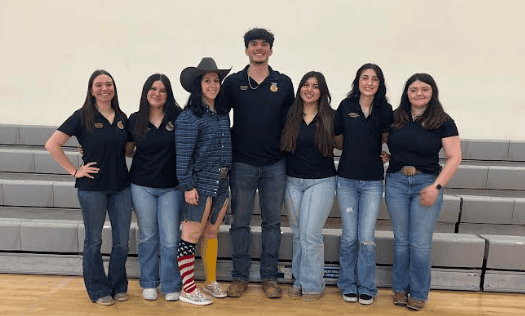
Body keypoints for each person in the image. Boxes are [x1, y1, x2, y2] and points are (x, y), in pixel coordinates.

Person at [45, 70, 132, 306]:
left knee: (122, 242)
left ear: (114, 88)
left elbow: (128, 149)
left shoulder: (122, 116)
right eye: (99, 85)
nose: (105, 89)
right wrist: (75, 170)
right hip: (92, 188)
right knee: (93, 241)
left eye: (109, 84)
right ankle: (97, 289)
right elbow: (52, 144)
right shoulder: (82, 116)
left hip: (121, 187)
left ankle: (118, 285)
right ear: (91, 89)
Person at [222, 27, 295, 299]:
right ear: (246, 49)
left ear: (271, 50)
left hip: (275, 164)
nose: (259, 48)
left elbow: (293, 123)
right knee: (239, 222)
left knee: (272, 223)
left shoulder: (284, 83)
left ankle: (268, 277)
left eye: (264, 44)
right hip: (242, 164)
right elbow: (219, 118)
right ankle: (239, 277)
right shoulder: (233, 83)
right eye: (254, 44)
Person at [385, 73, 461, 311]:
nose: (419, 94)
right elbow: (386, 142)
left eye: (424, 89)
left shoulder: (443, 120)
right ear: (406, 92)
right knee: (401, 241)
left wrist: (436, 187)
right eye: (413, 89)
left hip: (426, 183)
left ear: (432, 92)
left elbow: (454, 157)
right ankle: (399, 288)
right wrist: (385, 155)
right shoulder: (396, 117)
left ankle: (418, 292)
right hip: (396, 181)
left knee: (419, 244)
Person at [175, 57, 232, 306]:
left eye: (216, 80)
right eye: (207, 80)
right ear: (198, 86)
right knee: (191, 234)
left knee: (211, 232)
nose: (212, 84)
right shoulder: (189, 117)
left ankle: (210, 281)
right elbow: (183, 156)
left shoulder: (222, 115)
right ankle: (188, 288)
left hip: (222, 182)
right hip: (199, 183)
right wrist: (188, 186)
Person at [281, 71, 342, 301]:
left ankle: (314, 284)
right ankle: (299, 279)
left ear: (322, 91)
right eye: (305, 85)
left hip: (321, 181)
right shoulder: (289, 114)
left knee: (311, 234)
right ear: (299, 89)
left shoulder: (332, 116)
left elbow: (351, 142)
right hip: (292, 181)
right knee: (298, 234)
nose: (309, 89)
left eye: (315, 86)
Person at [336, 64, 393, 305]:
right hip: (346, 179)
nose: (369, 82)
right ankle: (348, 283)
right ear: (357, 80)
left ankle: (367, 285)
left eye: (374, 79)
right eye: (365, 78)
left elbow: (388, 140)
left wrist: (386, 152)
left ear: (380, 84)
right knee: (349, 236)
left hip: (371, 181)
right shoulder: (345, 106)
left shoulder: (386, 109)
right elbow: (338, 141)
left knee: (366, 237)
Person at [126, 74, 183, 301]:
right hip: (141, 185)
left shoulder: (178, 117)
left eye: (162, 90)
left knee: (170, 239)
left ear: (168, 94)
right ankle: (149, 282)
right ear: (146, 91)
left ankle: (170, 285)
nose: (157, 93)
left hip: (171, 187)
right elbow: (127, 150)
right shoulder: (134, 119)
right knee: (148, 237)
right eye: (153, 89)